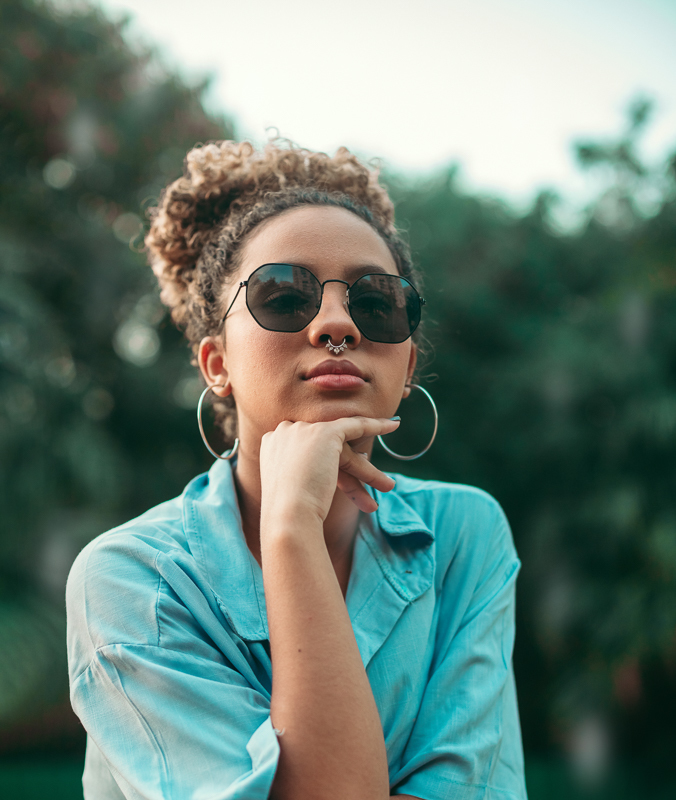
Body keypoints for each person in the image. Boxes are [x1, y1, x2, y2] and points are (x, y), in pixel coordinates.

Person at [66, 140, 527, 800]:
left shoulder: (462, 535)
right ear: (217, 363)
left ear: (407, 366)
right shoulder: (134, 579)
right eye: (283, 297)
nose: (338, 324)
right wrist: (291, 529)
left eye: (376, 303)